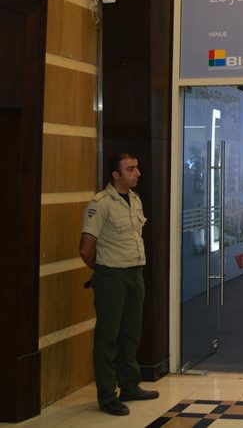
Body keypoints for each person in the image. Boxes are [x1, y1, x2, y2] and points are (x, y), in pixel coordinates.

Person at [79, 153, 160, 416]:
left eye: (137, 168)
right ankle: (107, 396)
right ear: (116, 174)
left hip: (135, 273)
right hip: (111, 276)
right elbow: (86, 248)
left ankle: (129, 386)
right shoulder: (100, 203)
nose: (137, 173)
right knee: (108, 338)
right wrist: (104, 269)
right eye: (130, 169)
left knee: (131, 333)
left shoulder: (135, 200)